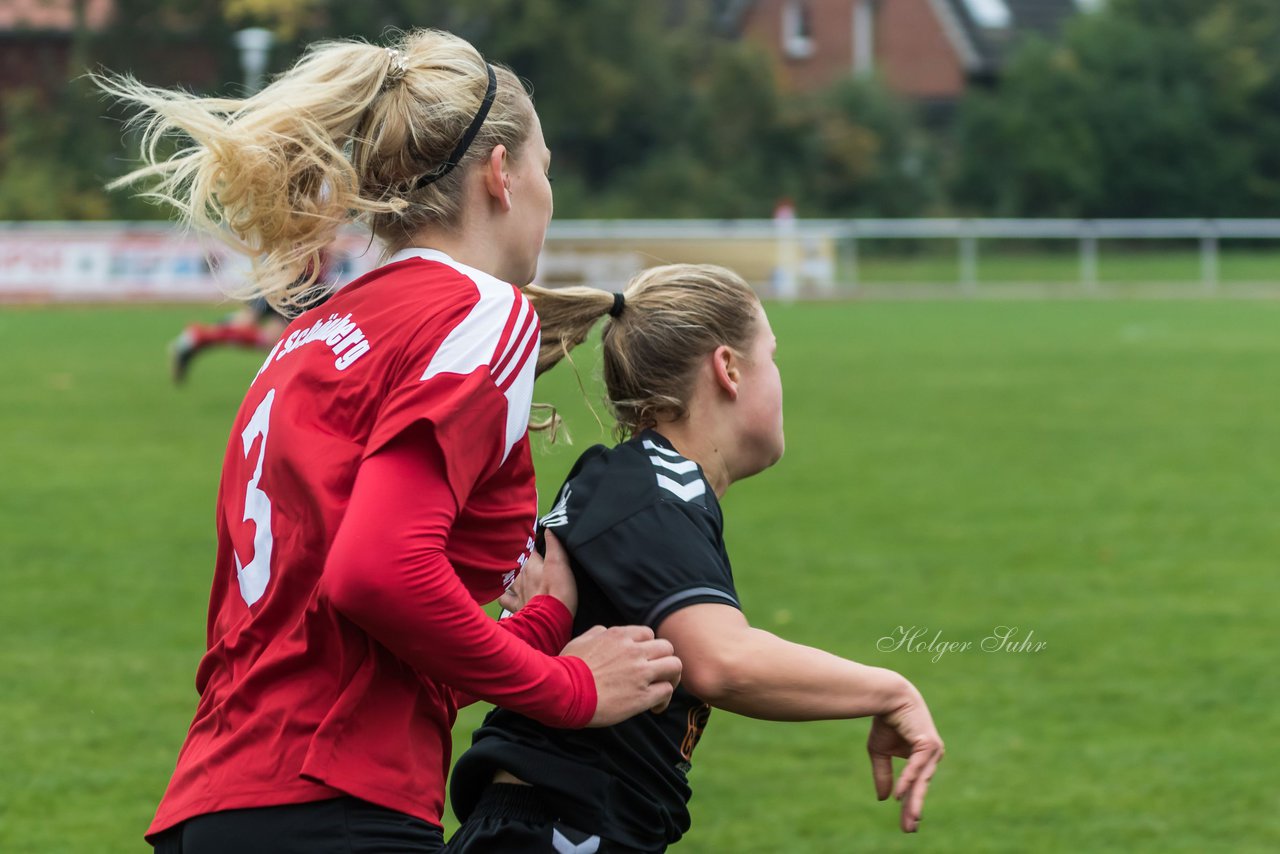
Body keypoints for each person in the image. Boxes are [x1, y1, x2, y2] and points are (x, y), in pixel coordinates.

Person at [96, 29, 681, 853]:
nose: (550, 196)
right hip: (336, 806)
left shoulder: (316, 332)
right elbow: (376, 575)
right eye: (547, 168)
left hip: (217, 803)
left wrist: (544, 622)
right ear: (501, 172)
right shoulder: (484, 311)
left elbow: (351, 644)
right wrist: (569, 690)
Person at [447, 264, 945, 852]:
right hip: (556, 831)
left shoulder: (642, 482)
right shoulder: (649, 487)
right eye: (773, 355)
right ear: (729, 369)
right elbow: (722, 661)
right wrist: (892, 690)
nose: (780, 378)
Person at [169, 247, 338, 384]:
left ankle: (196, 338)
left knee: (266, 335)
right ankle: (196, 337)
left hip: (300, 280)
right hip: (288, 278)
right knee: (250, 325)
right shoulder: (311, 223)